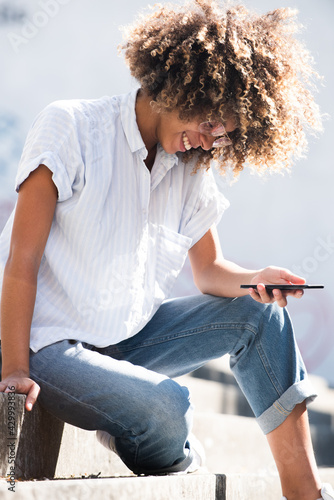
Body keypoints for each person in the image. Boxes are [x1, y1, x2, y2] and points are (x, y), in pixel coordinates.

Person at [0, 1, 332, 499]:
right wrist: (14, 372)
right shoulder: (70, 128)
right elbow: (21, 263)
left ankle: (303, 492)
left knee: (264, 316)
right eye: (213, 119)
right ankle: (170, 449)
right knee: (166, 407)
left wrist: (257, 279)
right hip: (50, 346)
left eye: (226, 133)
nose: (212, 139)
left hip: (127, 342)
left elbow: (210, 272)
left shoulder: (191, 168)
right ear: (180, 82)